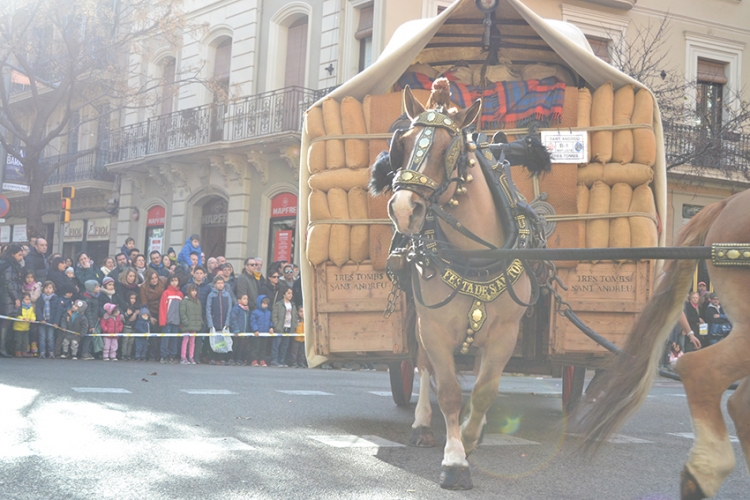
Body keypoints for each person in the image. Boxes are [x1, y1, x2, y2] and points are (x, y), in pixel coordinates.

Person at [0, 244, 25, 357]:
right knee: (5, 323)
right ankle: (2, 347)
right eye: (19, 255)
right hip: (7, 297)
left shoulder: (11, 265)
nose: (21, 257)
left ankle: (5, 346)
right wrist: (16, 298)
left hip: (8, 296)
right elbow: (9, 283)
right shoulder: (8, 266)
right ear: (12, 254)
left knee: (7, 323)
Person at [205, 275, 234, 365]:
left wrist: (227, 322)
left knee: (222, 340)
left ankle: (221, 358)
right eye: (218, 283)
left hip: (224, 322)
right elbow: (208, 309)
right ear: (214, 285)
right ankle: (212, 357)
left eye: (222, 283)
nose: (220, 285)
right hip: (215, 321)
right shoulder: (211, 295)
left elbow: (229, 308)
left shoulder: (227, 295)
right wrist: (210, 323)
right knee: (214, 339)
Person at [140, 268, 167, 361]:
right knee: (154, 334)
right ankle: (152, 354)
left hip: (163, 309)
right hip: (152, 311)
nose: (155, 280)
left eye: (156, 277)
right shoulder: (143, 287)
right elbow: (145, 303)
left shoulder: (163, 280)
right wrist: (150, 317)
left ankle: (162, 354)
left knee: (163, 333)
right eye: (152, 278)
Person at [158, 275, 183, 363]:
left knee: (174, 339)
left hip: (176, 321)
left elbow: (181, 309)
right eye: (172, 281)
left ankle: (172, 355)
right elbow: (162, 307)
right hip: (167, 320)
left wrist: (181, 322)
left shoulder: (180, 294)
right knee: (165, 338)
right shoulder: (166, 293)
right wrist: (162, 320)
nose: (174, 282)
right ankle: (164, 355)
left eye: (176, 280)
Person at [36, 281, 63, 359]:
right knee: (42, 337)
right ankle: (42, 352)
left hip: (51, 322)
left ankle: (51, 352)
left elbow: (58, 311)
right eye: (46, 288)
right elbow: (38, 309)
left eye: (50, 288)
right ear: (43, 289)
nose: (48, 290)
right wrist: (41, 319)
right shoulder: (40, 298)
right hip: (42, 321)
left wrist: (56, 322)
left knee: (50, 337)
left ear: (53, 290)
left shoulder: (56, 299)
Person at [271, 287, 297, 367]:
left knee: (285, 345)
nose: (290, 295)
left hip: (289, 327)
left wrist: (294, 325)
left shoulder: (292, 305)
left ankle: (282, 360)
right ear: (284, 294)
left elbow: (294, 316)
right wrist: (276, 324)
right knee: (276, 344)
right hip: (280, 327)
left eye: (291, 293)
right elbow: (274, 316)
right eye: (288, 293)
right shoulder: (278, 304)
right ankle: (274, 360)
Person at [179, 284, 203, 365]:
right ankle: (183, 357)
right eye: (192, 290)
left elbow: (199, 313)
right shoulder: (185, 301)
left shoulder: (197, 301)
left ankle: (191, 357)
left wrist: (199, 322)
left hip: (194, 325)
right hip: (187, 325)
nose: (194, 292)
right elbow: (182, 313)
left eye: (195, 291)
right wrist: (186, 322)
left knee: (192, 342)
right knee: (185, 340)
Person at [79, 280, 101, 360]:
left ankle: (88, 352)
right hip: (88, 321)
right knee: (87, 338)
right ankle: (84, 352)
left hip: (94, 319)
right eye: (97, 287)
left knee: (91, 338)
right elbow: (89, 313)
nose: (99, 288)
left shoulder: (95, 297)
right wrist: (91, 325)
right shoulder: (87, 299)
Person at [21, 270, 42, 356]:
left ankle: (34, 345)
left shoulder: (36, 286)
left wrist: (27, 295)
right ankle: (26, 346)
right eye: (27, 277)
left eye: (31, 277)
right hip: (23, 311)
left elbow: (34, 298)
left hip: (33, 310)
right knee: (25, 329)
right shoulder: (22, 286)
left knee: (34, 329)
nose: (29, 279)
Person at [249, 295, 272, 367]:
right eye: (264, 303)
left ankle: (262, 359)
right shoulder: (255, 312)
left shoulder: (268, 313)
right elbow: (252, 322)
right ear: (259, 303)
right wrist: (255, 330)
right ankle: (254, 360)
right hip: (257, 334)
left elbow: (270, 321)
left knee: (263, 348)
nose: (265, 305)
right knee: (255, 347)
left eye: (266, 304)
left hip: (265, 334)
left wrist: (271, 327)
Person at [229, 293, 251, 366]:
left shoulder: (247, 310)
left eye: (247, 299)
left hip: (244, 332)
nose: (246, 301)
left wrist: (247, 331)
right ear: (239, 300)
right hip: (237, 332)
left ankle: (239, 359)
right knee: (234, 345)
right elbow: (233, 319)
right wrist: (236, 329)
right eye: (244, 299)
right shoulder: (236, 309)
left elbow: (247, 321)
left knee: (241, 346)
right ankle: (231, 359)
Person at [13, 292, 36, 357]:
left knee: (25, 341)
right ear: (22, 299)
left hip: (26, 328)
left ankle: (24, 351)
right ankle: (17, 351)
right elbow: (16, 315)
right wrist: (23, 318)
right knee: (18, 341)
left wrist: (33, 319)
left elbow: (32, 314)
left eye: (29, 299)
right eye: (26, 299)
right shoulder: (19, 307)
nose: (28, 301)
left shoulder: (30, 307)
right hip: (18, 328)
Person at [120, 290, 141, 361]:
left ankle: (128, 354)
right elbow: (122, 317)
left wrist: (136, 314)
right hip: (126, 326)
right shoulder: (125, 306)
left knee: (131, 341)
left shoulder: (137, 306)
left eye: (134, 298)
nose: (133, 300)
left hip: (134, 326)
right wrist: (127, 314)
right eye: (131, 298)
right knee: (125, 341)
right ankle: (124, 354)